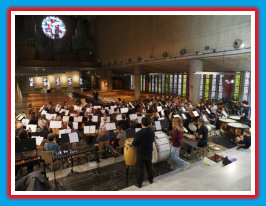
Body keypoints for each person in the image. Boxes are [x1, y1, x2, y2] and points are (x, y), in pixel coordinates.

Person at [132, 117, 154, 188]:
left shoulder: (139, 133)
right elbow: (152, 140)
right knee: (149, 166)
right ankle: (151, 180)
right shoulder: (151, 131)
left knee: (140, 168)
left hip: (141, 153)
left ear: (141, 123)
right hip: (149, 151)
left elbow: (134, 144)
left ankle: (139, 183)